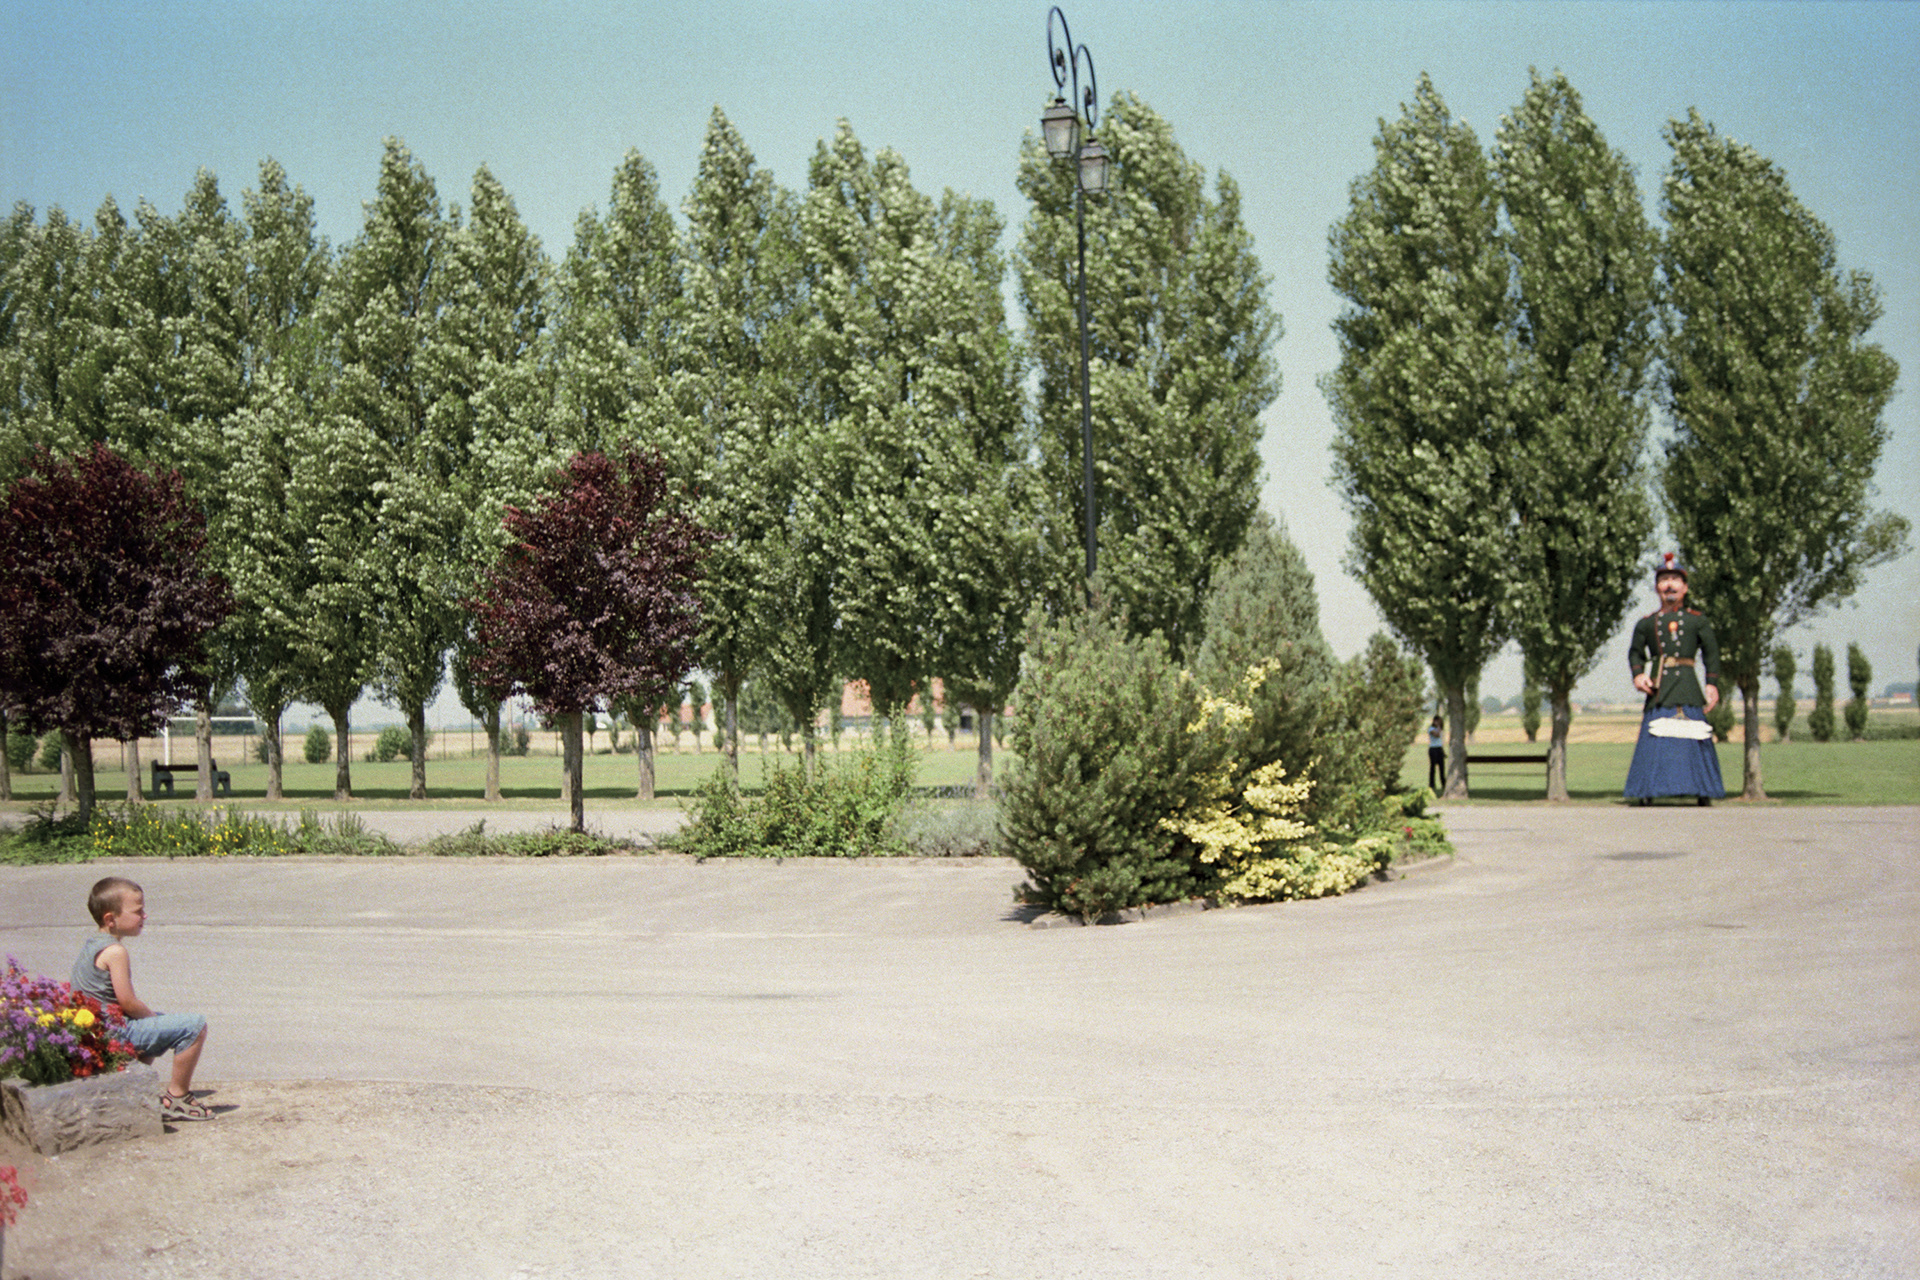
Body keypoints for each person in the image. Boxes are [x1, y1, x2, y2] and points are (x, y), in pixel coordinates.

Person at [70, 876, 214, 1121]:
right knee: (195, 1026)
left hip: (97, 1032)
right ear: (110, 919)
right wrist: (151, 1019)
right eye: (138, 911)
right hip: (114, 1034)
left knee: (157, 1029)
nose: (144, 916)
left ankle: (129, 1088)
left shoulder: (92, 944)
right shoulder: (115, 951)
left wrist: (153, 1022)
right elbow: (128, 1003)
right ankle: (176, 1097)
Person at [1623, 553, 1725, 807]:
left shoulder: (1697, 620)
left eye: (1675, 580)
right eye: (1664, 579)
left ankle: (1702, 789)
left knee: (1694, 737)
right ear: (1657, 587)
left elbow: (1711, 652)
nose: (1670, 585)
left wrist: (1711, 683)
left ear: (1685, 587)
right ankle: (1648, 790)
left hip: (1689, 687)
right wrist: (1638, 675)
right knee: (1656, 739)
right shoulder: (1646, 624)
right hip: (1660, 690)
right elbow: (1635, 652)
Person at [1426, 715, 1445, 791]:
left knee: (1442, 768)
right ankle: (1432, 784)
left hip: (1439, 748)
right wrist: (1439, 728)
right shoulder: (1431, 729)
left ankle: (1443, 783)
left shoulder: (1439, 729)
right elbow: (1437, 735)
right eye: (1437, 721)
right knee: (1433, 767)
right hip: (1433, 749)